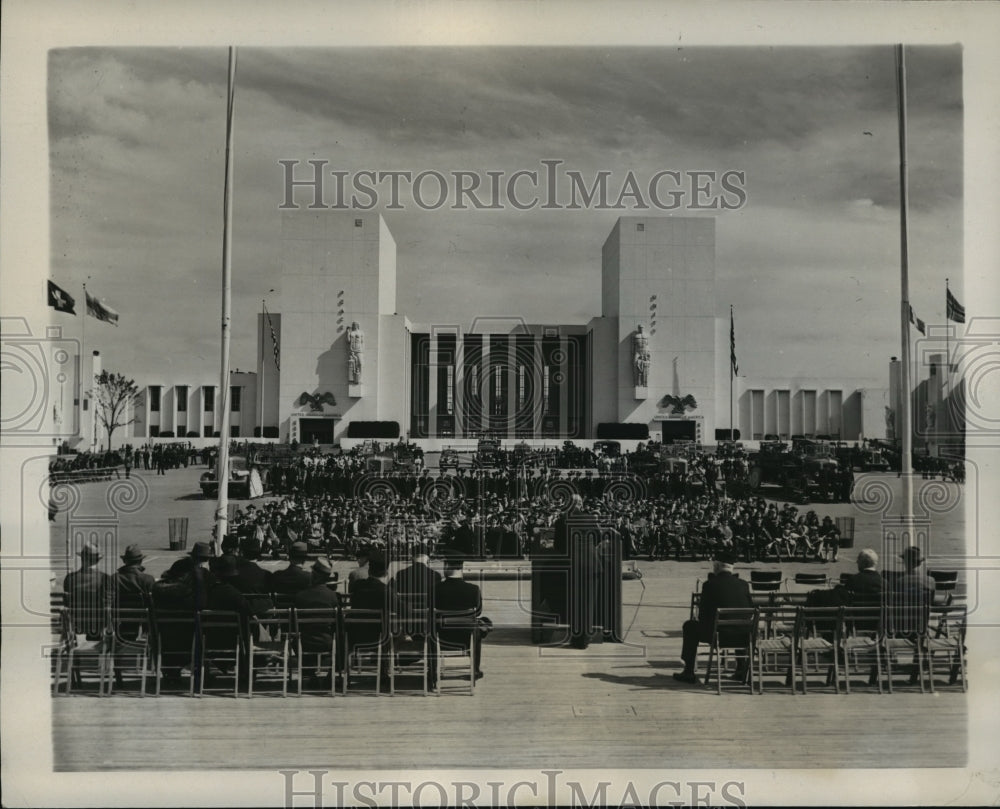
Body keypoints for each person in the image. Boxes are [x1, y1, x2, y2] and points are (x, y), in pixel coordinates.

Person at [674, 550, 753, 684]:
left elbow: (702, 615)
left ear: (716, 566)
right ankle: (740, 668)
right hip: (743, 636)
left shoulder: (709, 585)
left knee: (689, 626)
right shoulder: (743, 585)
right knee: (738, 622)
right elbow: (750, 611)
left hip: (718, 636)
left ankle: (688, 671)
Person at [431, 553, 487, 683]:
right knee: (478, 627)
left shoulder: (434, 589)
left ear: (446, 567)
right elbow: (477, 612)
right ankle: (475, 669)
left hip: (441, 637)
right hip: (465, 638)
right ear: (462, 568)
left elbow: (430, 611)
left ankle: (433, 670)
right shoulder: (473, 589)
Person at [63, 541, 113, 639]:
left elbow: (66, 605)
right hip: (98, 625)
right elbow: (109, 606)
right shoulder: (105, 578)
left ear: (82, 558)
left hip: (76, 625)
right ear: (97, 560)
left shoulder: (70, 578)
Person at [114, 544, 155, 608]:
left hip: (120, 615)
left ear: (124, 561)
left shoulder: (113, 578)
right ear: (140, 561)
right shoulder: (148, 579)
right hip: (142, 615)